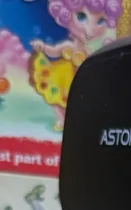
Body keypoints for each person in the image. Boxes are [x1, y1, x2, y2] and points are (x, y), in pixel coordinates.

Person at [28, 0, 120, 130]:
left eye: (100, 21)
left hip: (78, 83)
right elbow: (53, 51)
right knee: (57, 100)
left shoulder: (89, 52)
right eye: (81, 16)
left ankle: (76, 121)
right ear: (65, 15)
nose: (90, 30)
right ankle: (62, 119)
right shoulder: (68, 46)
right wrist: (42, 47)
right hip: (61, 79)